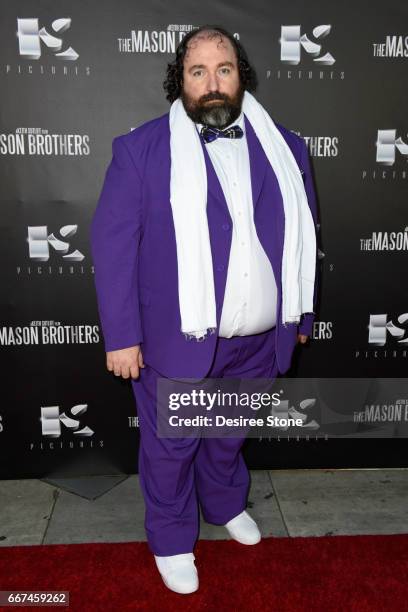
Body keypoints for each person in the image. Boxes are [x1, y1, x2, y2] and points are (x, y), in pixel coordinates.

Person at [90, 24, 319, 594]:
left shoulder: (286, 147)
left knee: (229, 436)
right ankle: (170, 538)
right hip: (179, 337)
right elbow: (114, 248)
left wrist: (301, 316)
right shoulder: (141, 150)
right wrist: (121, 335)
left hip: (259, 337)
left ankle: (223, 504)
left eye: (225, 69)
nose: (213, 83)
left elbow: (303, 236)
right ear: (181, 80)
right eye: (199, 72)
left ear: (241, 75)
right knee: (173, 449)